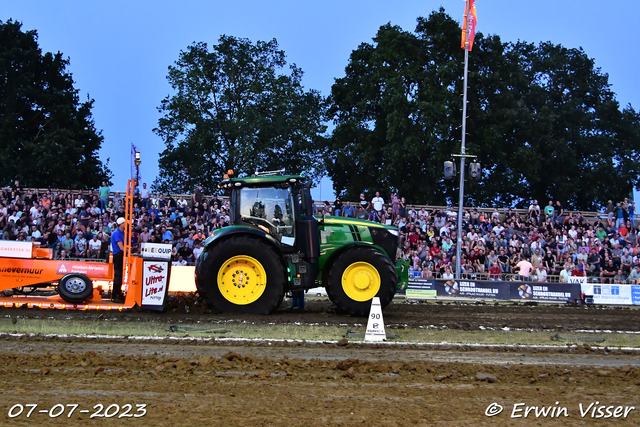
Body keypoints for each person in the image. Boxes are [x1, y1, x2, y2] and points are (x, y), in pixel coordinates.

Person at [110, 217, 126, 303]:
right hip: (118, 255)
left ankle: (117, 294)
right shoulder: (117, 233)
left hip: (120, 255)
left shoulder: (121, 233)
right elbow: (121, 247)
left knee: (119, 276)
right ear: (121, 224)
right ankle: (115, 295)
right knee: (118, 276)